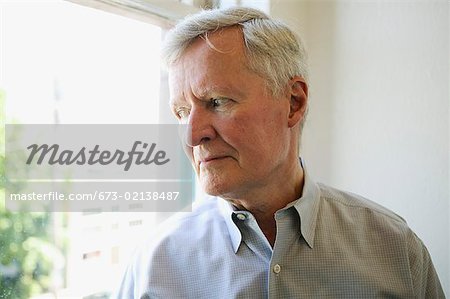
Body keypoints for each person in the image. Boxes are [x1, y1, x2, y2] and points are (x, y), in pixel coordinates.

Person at [115, 7, 444, 298]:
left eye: (216, 101)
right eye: (182, 112)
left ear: (293, 102)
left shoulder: (395, 248)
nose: (192, 135)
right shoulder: (155, 265)